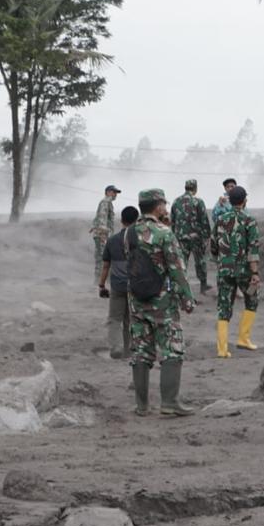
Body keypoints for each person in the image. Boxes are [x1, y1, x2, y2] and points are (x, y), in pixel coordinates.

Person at [126, 189, 196, 418]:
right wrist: (187, 298)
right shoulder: (165, 233)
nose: (166, 208)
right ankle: (169, 403)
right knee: (172, 350)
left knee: (140, 352)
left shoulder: (128, 233)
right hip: (162, 301)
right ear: (157, 206)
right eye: (164, 204)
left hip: (136, 299)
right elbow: (177, 269)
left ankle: (141, 406)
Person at [210, 185, 260, 357]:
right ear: (244, 201)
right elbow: (253, 250)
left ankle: (222, 349)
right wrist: (255, 273)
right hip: (244, 270)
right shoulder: (249, 220)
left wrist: (222, 259)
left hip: (224, 270)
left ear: (230, 201)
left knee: (224, 307)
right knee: (252, 300)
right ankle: (243, 339)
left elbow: (213, 246)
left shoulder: (220, 219)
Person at [98, 206, 140, 359]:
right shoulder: (140, 240)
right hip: (135, 286)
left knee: (115, 319)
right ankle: (129, 348)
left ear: (122, 220)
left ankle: (116, 347)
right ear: (137, 221)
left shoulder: (112, 240)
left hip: (117, 286)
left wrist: (102, 285)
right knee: (130, 318)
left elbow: (106, 266)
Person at [170, 179, 212, 294]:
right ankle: (203, 286)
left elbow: (172, 221)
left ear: (185, 187)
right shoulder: (198, 201)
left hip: (180, 238)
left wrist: (173, 236)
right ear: (195, 188)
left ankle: (181, 288)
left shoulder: (176, 201)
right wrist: (207, 236)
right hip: (196, 238)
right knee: (200, 261)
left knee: (181, 263)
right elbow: (204, 220)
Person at [90, 185, 121, 280]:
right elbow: (102, 217)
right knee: (102, 258)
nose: (115, 194)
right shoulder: (105, 202)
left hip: (103, 234)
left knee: (103, 258)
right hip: (102, 235)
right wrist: (103, 233)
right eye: (113, 192)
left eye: (116, 193)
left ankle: (101, 279)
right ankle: (100, 280)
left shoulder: (108, 203)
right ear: (107, 192)